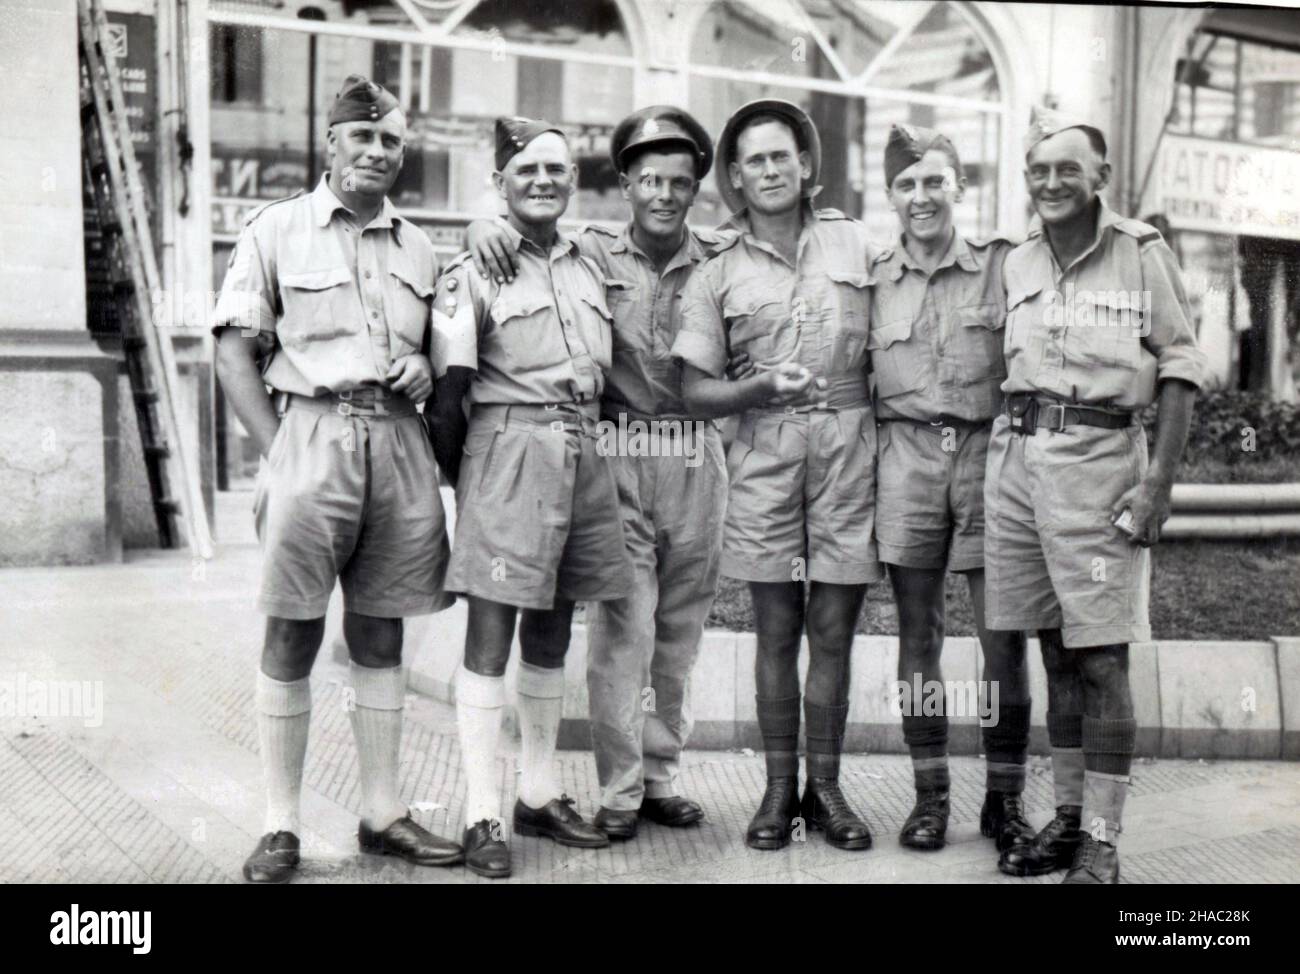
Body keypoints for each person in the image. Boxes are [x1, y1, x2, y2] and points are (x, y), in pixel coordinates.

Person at [212, 75, 462, 883]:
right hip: (311, 433)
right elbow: (232, 351)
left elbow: (439, 356)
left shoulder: (421, 247)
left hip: (398, 439)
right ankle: (280, 824)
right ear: (331, 142)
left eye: (392, 140)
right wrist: (279, 448)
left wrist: (423, 364)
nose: (379, 152)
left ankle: (383, 813)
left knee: (383, 627)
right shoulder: (276, 229)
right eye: (365, 137)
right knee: (291, 627)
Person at [464, 106, 727, 841]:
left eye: (679, 180)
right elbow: (522, 235)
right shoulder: (591, 254)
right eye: (649, 179)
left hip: (696, 455)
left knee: (679, 631)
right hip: (617, 452)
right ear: (624, 184)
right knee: (624, 630)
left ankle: (660, 778)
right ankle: (618, 791)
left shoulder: (724, 257)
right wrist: (477, 225)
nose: (664, 195)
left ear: (698, 185)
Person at [986, 107, 1206, 883]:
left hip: (1101, 463)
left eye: (1068, 169)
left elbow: (1180, 368)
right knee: (1054, 651)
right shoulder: (1016, 259)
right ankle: (1071, 820)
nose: (1051, 183)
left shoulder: (1141, 252)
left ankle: (1104, 843)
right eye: (1039, 170)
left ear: (1100, 178)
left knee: (1103, 658)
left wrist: (1158, 487)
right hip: (1017, 465)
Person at [672, 99, 880, 852]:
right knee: (775, 629)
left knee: (833, 630)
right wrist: (759, 389)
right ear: (734, 176)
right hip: (763, 452)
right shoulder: (716, 271)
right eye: (753, 160)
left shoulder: (857, 244)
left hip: (849, 453)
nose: (769, 170)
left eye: (781, 156)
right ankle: (775, 789)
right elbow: (694, 391)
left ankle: (826, 790)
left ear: (806, 166)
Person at [428, 117, 632, 878]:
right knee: (491, 632)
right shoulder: (471, 272)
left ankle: (538, 793)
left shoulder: (588, 264)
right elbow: (448, 394)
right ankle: (483, 812)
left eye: (555, 169)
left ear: (571, 181)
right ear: (500, 184)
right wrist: (468, 481)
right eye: (525, 172)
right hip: (507, 449)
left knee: (553, 629)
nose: (543, 181)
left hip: (583, 451)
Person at [867, 124, 1033, 854]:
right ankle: (929, 796)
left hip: (987, 455)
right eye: (907, 184)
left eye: (935, 181)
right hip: (906, 458)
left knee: (1002, 635)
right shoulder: (871, 276)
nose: (921, 196)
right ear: (891, 195)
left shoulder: (1003, 265)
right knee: (920, 633)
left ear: (959, 186)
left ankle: (1005, 799)